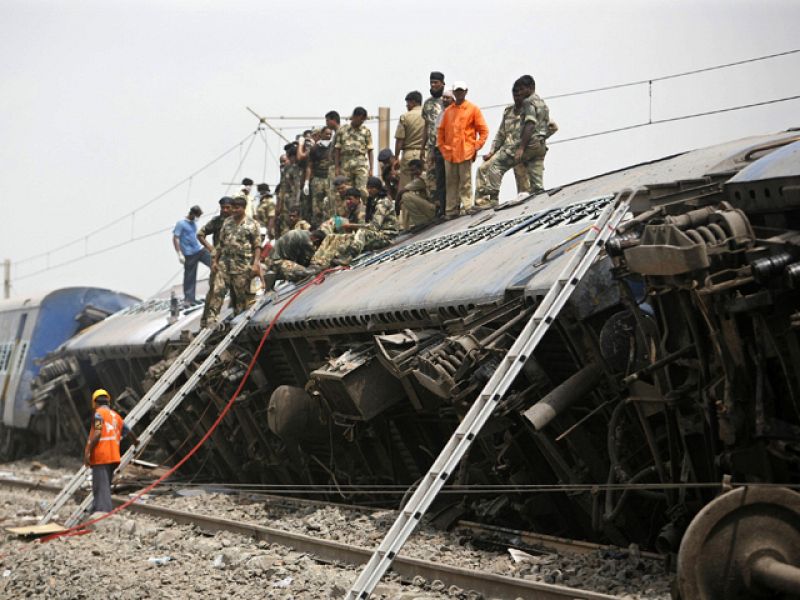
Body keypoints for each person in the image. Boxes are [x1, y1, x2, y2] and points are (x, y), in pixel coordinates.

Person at [475, 77, 543, 209]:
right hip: (506, 150)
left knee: (523, 184)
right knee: (484, 168)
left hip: (524, 151)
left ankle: (525, 207)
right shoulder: (508, 111)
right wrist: (492, 151)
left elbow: (551, 126)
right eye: (514, 94)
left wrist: (534, 144)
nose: (517, 97)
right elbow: (501, 134)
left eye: (519, 94)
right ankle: (484, 202)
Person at [205, 196, 262, 323]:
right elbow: (221, 243)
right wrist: (215, 261)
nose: (234, 210)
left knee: (240, 297)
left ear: (243, 208)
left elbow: (257, 246)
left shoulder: (252, 224)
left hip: (242, 266)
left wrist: (256, 264)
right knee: (217, 289)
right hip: (225, 263)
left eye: (237, 208)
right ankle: (212, 318)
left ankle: (239, 318)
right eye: (233, 208)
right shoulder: (227, 222)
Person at [437, 81, 489, 218]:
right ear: (454, 93)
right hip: (450, 153)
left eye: (461, 91)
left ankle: (467, 206)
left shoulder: (473, 109)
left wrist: (476, 146)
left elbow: (483, 130)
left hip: (465, 151)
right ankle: (451, 210)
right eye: (457, 91)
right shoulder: (448, 111)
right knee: (451, 183)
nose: (459, 93)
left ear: (466, 92)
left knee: (465, 181)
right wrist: (442, 148)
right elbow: (440, 132)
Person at [83, 389, 139, 514]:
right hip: (113, 457)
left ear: (94, 403)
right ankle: (96, 508)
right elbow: (129, 431)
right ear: (108, 401)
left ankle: (103, 512)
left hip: (101, 456)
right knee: (102, 485)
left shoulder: (98, 415)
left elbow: (97, 432)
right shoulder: (116, 416)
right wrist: (135, 442)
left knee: (101, 487)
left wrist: (88, 452)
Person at [196, 197, 233, 328]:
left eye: (227, 207)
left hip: (235, 260)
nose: (225, 210)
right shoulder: (217, 221)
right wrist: (211, 249)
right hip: (219, 260)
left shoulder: (239, 221)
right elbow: (200, 234)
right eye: (223, 207)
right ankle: (207, 319)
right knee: (215, 290)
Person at [172, 205, 212, 306]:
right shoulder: (181, 224)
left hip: (199, 250)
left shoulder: (193, 223)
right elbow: (175, 238)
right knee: (190, 276)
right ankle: (189, 299)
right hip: (189, 253)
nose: (197, 218)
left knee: (215, 264)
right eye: (197, 216)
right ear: (192, 214)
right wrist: (179, 253)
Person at [420, 71, 446, 214]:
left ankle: (449, 206)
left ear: (442, 83)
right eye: (431, 83)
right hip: (431, 147)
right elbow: (426, 126)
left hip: (444, 146)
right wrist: (421, 148)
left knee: (446, 177)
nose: (433, 85)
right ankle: (436, 207)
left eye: (436, 82)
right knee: (431, 179)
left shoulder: (447, 100)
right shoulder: (428, 103)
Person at [334, 107, 374, 198]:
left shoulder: (366, 131)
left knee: (362, 189)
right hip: (346, 163)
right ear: (354, 117)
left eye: (363, 120)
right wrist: (337, 167)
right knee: (345, 190)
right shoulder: (343, 130)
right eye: (360, 119)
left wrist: (371, 168)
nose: (362, 122)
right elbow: (337, 149)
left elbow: (370, 150)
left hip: (361, 163)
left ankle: (363, 210)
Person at [301, 126, 333, 228]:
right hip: (318, 179)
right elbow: (309, 166)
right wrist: (306, 182)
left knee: (331, 205)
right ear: (321, 135)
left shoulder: (333, 147)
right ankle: (317, 229)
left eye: (330, 134)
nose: (328, 136)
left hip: (329, 179)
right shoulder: (315, 149)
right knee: (317, 207)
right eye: (326, 134)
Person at [397, 159, 436, 228]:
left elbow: (401, 192)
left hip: (433, 209)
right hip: (432, 208)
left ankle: (421, 222)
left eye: (413, 170)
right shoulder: (423, 176)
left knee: (405, 197)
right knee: (404, 201)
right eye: (411, 171)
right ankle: (407, 227)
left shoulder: (422, 178)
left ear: (420, 168)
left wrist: (396, 207)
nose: (412, 173)